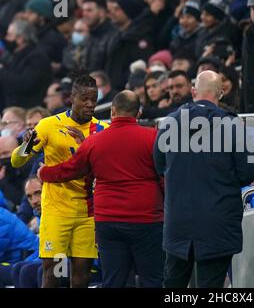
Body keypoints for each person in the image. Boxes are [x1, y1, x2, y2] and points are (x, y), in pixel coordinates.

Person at [38, 90, 165, 288]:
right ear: (138, 114)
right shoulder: (154, 138)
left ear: (112, 112)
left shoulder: (94, 142)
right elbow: (165, 177)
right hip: (147, 220)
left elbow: (69, 170)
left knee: (113, 281)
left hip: (108, 221)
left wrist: (44, 173)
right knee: (153, 279)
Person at [154, 70, 254, 288]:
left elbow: (159, 165)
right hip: (217, 222)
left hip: (178, 222)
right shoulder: (233, 125)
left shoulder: (169, 123)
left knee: (172, 285)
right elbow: (248, 174)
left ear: (193, 92)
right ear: (220, 94)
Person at [11, 72, 109, 288]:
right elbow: (17, 161)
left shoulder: (102, 130)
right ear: (71, 99)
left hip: (87, 212)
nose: (90, 104)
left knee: (81, 274)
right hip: (56, 210)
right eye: (85, 99)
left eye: (93, 99)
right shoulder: (48, 125)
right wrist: (27, 145)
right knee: (52, 273)